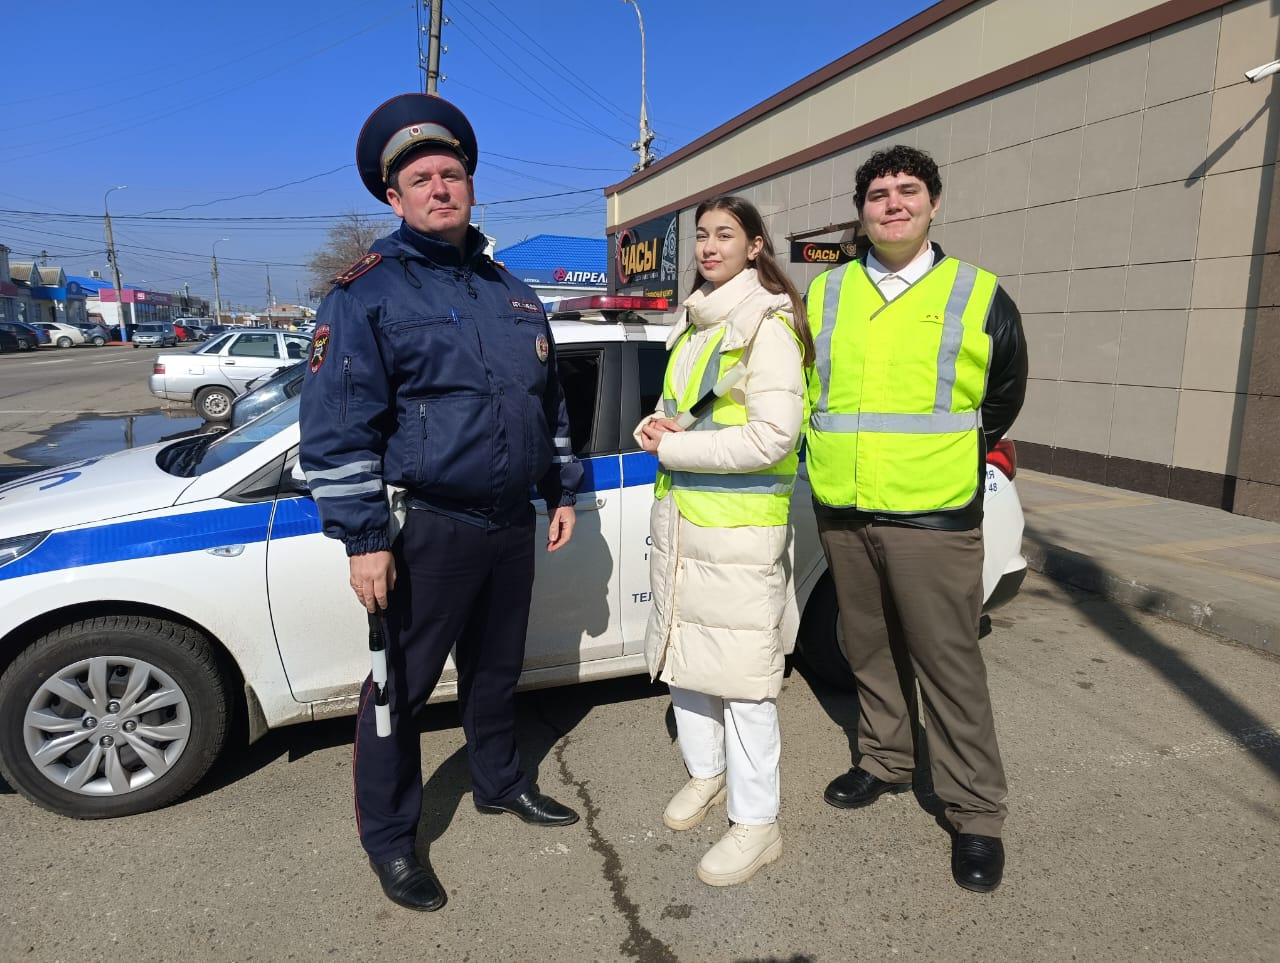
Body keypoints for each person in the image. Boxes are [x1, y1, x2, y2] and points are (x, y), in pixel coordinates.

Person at [299, 93, 583, 912]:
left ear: (470, 185)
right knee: (398, 691)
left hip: (508, 526)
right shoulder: (366, 293)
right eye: (420, 178)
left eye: (451, 173)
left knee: (496, 674)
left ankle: (499, 782)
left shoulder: (513, 293)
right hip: (426, 526)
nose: (439, 187)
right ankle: (390, 839)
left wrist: (558, 487)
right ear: (393, 198)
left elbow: (547, 405)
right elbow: (338, 425)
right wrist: (363, 539)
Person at [804, 145, 1028, 893]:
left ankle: (976, 813)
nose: (891, 203)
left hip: (933, 514)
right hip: (843, 505)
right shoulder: (825, 293)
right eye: (876, 193)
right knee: (867, 647)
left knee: (949, 664)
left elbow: (1002, 395)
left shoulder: (978, 292)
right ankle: (885, 761)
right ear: (860, 211)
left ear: (935, 204)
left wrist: (946, 455)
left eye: (907, 191)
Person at [637, 195, 812, 887]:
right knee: (685, 658)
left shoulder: (764, 325)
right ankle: (707, 774)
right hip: (683, 524)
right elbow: (683, 411)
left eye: (725, 235)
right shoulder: (697, 322)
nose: (710, 247)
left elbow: (775, 437)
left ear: (756, 245)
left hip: (737, 533)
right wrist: (655, 426)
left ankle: (757, 819)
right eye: (702, 236)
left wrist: (678, 450)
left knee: (743, 683)